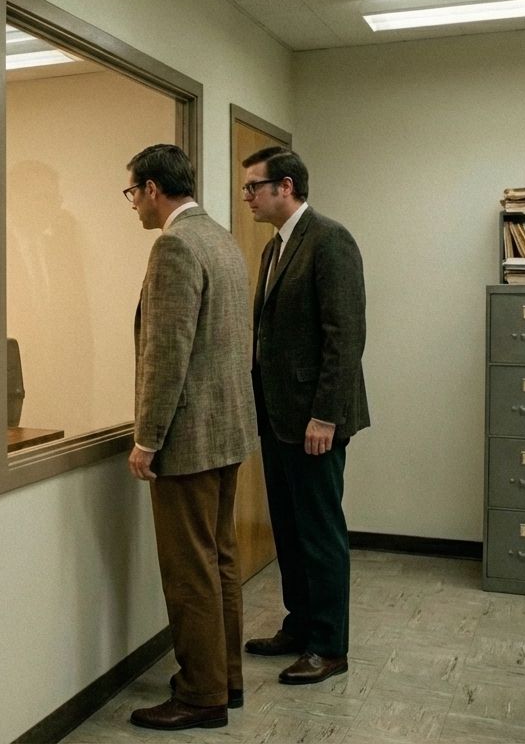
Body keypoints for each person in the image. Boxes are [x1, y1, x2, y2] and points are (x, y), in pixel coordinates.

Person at [123, 144, 258, 731]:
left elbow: (166, 353)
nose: (134, 207)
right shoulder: (223, 239)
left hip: (188, 441)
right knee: (220, 559)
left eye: (133, 194)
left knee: (189, 570)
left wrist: (147, 437)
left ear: (153, 189)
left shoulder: (174, 245)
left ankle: (200, 694)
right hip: (227, 431)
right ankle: (225, 679)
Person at [240, 146, 368, 686]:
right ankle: (298, 626)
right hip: (277, 417)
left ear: (285, 187)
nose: (247, 196)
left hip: (315, 421)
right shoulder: (274, 249)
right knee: (288, 530)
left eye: (254, 187)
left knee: (319, 532)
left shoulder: (329, 240)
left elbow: (345, 336)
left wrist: (325, 416)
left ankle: (328, 646)